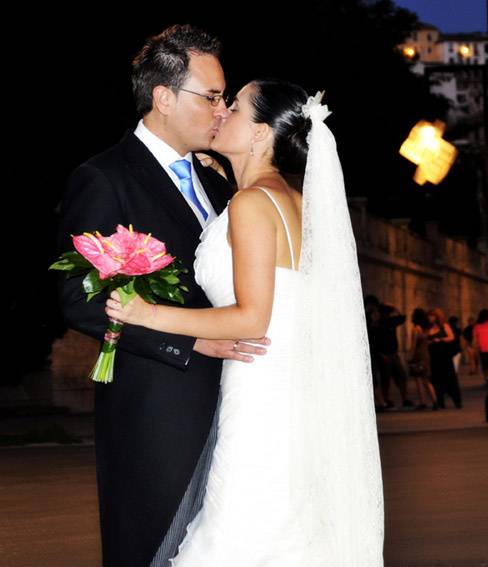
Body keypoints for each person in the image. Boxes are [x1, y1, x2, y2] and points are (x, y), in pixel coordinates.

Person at [106, 79, 384, 564]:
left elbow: (252, 318)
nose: (220, 113)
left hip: (260, 399)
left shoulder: (252, 204)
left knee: (240, 536)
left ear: (259, 134)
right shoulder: (291, 201)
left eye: (232, 107)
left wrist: (148, 313)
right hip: (291, 394)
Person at [55, 25, 272, 567]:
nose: (222, 108)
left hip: (236, 403)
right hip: (156, 414)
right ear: (164, 97)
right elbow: (78, 299)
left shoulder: (219, 181)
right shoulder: (105, 177)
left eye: (225, 97)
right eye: (213, 95)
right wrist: (190, 343)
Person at [376, 303, 414, 409]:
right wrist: (381, 354)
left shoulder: (391, 322)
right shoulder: (379, 324)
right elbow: (375, 341)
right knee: (386, 378)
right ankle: (385, 400)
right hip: (384, 355)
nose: (388, 315)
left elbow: (402, 317)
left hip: (393, 354)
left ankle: (405, 399)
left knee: (401, 376)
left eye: (388, 313)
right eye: (386, 313)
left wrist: (395, 308)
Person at [426, 308, 463, 409]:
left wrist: (441, 339)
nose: (430, 318)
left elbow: (452, 337)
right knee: (436, 380)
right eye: (429, 316)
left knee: (450, 379)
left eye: (432, 316)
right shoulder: (428, 328)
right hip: (434, 358)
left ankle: (457, 401)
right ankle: (440, 401)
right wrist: (430, 342)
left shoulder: (444, 326)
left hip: (444, 357)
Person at [408, 308, 438, 410]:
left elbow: (413, 345)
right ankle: (435, 401)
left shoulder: (415, 329)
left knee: (418, 379)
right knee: (426, 379)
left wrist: (410, 357)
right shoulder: (427, 328)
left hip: (418, 355)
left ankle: (423, 402)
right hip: (426, 355)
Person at [473, 309, 488, 386]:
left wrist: (475, 347)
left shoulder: (477, 326)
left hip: (483, 349)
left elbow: (475, 339)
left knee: (485, 366)